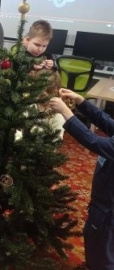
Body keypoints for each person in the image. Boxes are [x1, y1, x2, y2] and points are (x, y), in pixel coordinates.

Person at [49, 88, 114, 270]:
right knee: (94, 240)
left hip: (108, 210)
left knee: (101, 245)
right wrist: (81, 102)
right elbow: (106, 122)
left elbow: (92, 141)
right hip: (102, 202)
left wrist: (66, 113)